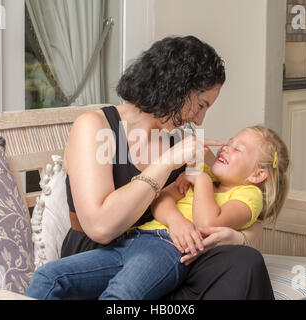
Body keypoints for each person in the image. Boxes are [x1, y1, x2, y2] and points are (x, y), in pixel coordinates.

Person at [25, 35, 275, 300]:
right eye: (201, 105)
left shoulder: (178, 135)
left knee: (245, 262)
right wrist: (166, 162)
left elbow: (240, 204)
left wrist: (240, 238)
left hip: (165, 254)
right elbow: (101, 227)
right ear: (177, 87)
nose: (200, 119)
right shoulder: (97, 127)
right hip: (100, 254)